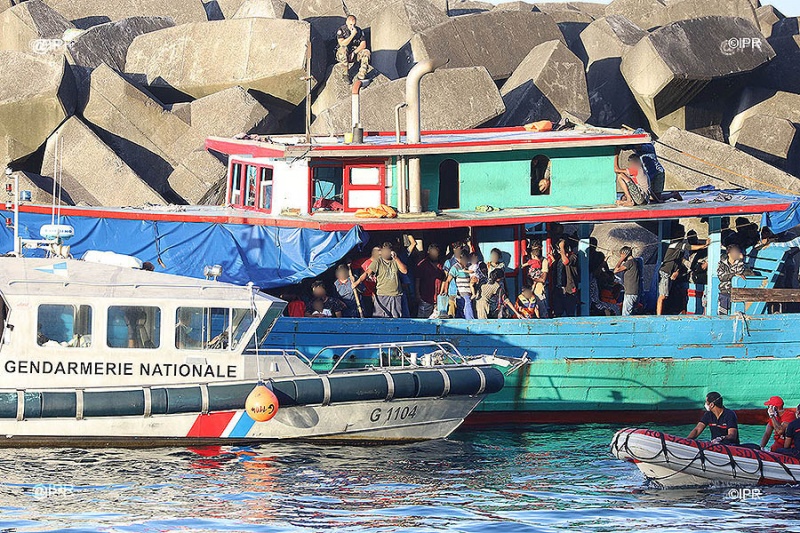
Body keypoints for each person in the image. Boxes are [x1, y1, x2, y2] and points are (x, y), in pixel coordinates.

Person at [657, 225, 709, 315]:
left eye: (682, 233)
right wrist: (704, 245)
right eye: (680, 233)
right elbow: (690, 248)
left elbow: (679, 261)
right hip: (666, 272)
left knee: (668, 295)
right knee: (662, 296)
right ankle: (658, 316)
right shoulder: (675, 244)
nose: (682, 234)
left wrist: (677, 272)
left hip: (674, 274)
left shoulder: (682, 250)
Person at [355, 242, 407, 318]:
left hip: (395, 295)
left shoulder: (395, 261)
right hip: (382, 295)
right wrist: (357, 282)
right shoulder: (378, 261)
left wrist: (396, 259)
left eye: (388, 251)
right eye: (384, 251)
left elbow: (404, 271)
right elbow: (367, 273)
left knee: (396, 318)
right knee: (380, 318)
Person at [441, 247, 475, 319]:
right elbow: (447, 280)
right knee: (467, 311)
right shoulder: (455, 268)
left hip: (470, 293)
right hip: (462, 294)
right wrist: (446, 292)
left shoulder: (470, 266)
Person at [335, 14, 371, 81]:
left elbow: (363, 45)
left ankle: (361, 75)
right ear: (347, 22)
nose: (352, 26)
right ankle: (345, 74)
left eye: (354, 24)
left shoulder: (359, 31)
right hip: (343, 55)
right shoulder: (341, 30)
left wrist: (354, 53)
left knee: (366, 52)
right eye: (351, 24)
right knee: (343, 49)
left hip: (354, 53)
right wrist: (352, 35)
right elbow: (342, 43)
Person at [415, 244, 446, 318]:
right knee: (423, 320)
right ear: (428, 252)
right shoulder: (422, 265)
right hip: (425, 298)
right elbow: (417, 280)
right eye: (433, 252)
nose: (434, 254)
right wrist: (417, 294)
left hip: (438, 298)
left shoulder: (441, 265)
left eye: (436, 252)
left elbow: (444, 279)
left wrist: (442, 292)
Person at [551, 237, 578, 317]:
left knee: (570, 312)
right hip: (558, 289)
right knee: (557, 312)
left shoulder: (573, 257)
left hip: (568, 288)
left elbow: (566, 262)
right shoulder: (558, 259)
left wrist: (562, 248)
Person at [717, 243, 747, 315]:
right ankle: (722, 318)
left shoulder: (739, 263)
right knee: (723, 302)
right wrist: (733, 275)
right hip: (724, 290)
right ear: (729, 254)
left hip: (736, 290)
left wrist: (741, 260)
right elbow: (721, 277)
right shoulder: (722, 264)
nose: (737, 253)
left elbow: (740, 273)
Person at [525, 241, 549, 318]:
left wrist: (534, 280)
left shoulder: (544, 261)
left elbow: (543, 279)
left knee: (542, 312)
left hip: (539, 290)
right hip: (529, 290)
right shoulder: (530, 260)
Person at [614, 246, 640, 316]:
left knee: (626, 314)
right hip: (634, 291)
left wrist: (621, 259)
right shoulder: (634, 262)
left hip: (630, 292)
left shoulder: (630, 262)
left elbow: (616, 270)